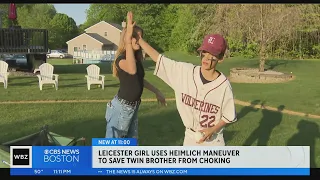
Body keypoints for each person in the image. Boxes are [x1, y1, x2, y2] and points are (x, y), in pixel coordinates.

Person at [136, 18, 237, 146]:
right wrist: (139, 39)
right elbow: (160, 59)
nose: (206, 58)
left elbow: (228, 116)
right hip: (189, 138)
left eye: (212, 54)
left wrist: (212, 130)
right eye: (204, 52)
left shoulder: (224, 86)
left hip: (214, 141)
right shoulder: (185, 72)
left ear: (220, 58)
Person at [105, 12, 166, 140]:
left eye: (140, 36)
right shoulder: (121, 59)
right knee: (113, 150)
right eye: (134, 36)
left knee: (130, 146)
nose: (138, 39)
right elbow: (132, 70)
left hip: (133, 107)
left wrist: (157, 91)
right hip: (121, 108)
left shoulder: (137, 60)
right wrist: (127, 41)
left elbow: (139, 80)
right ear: (127, 38)